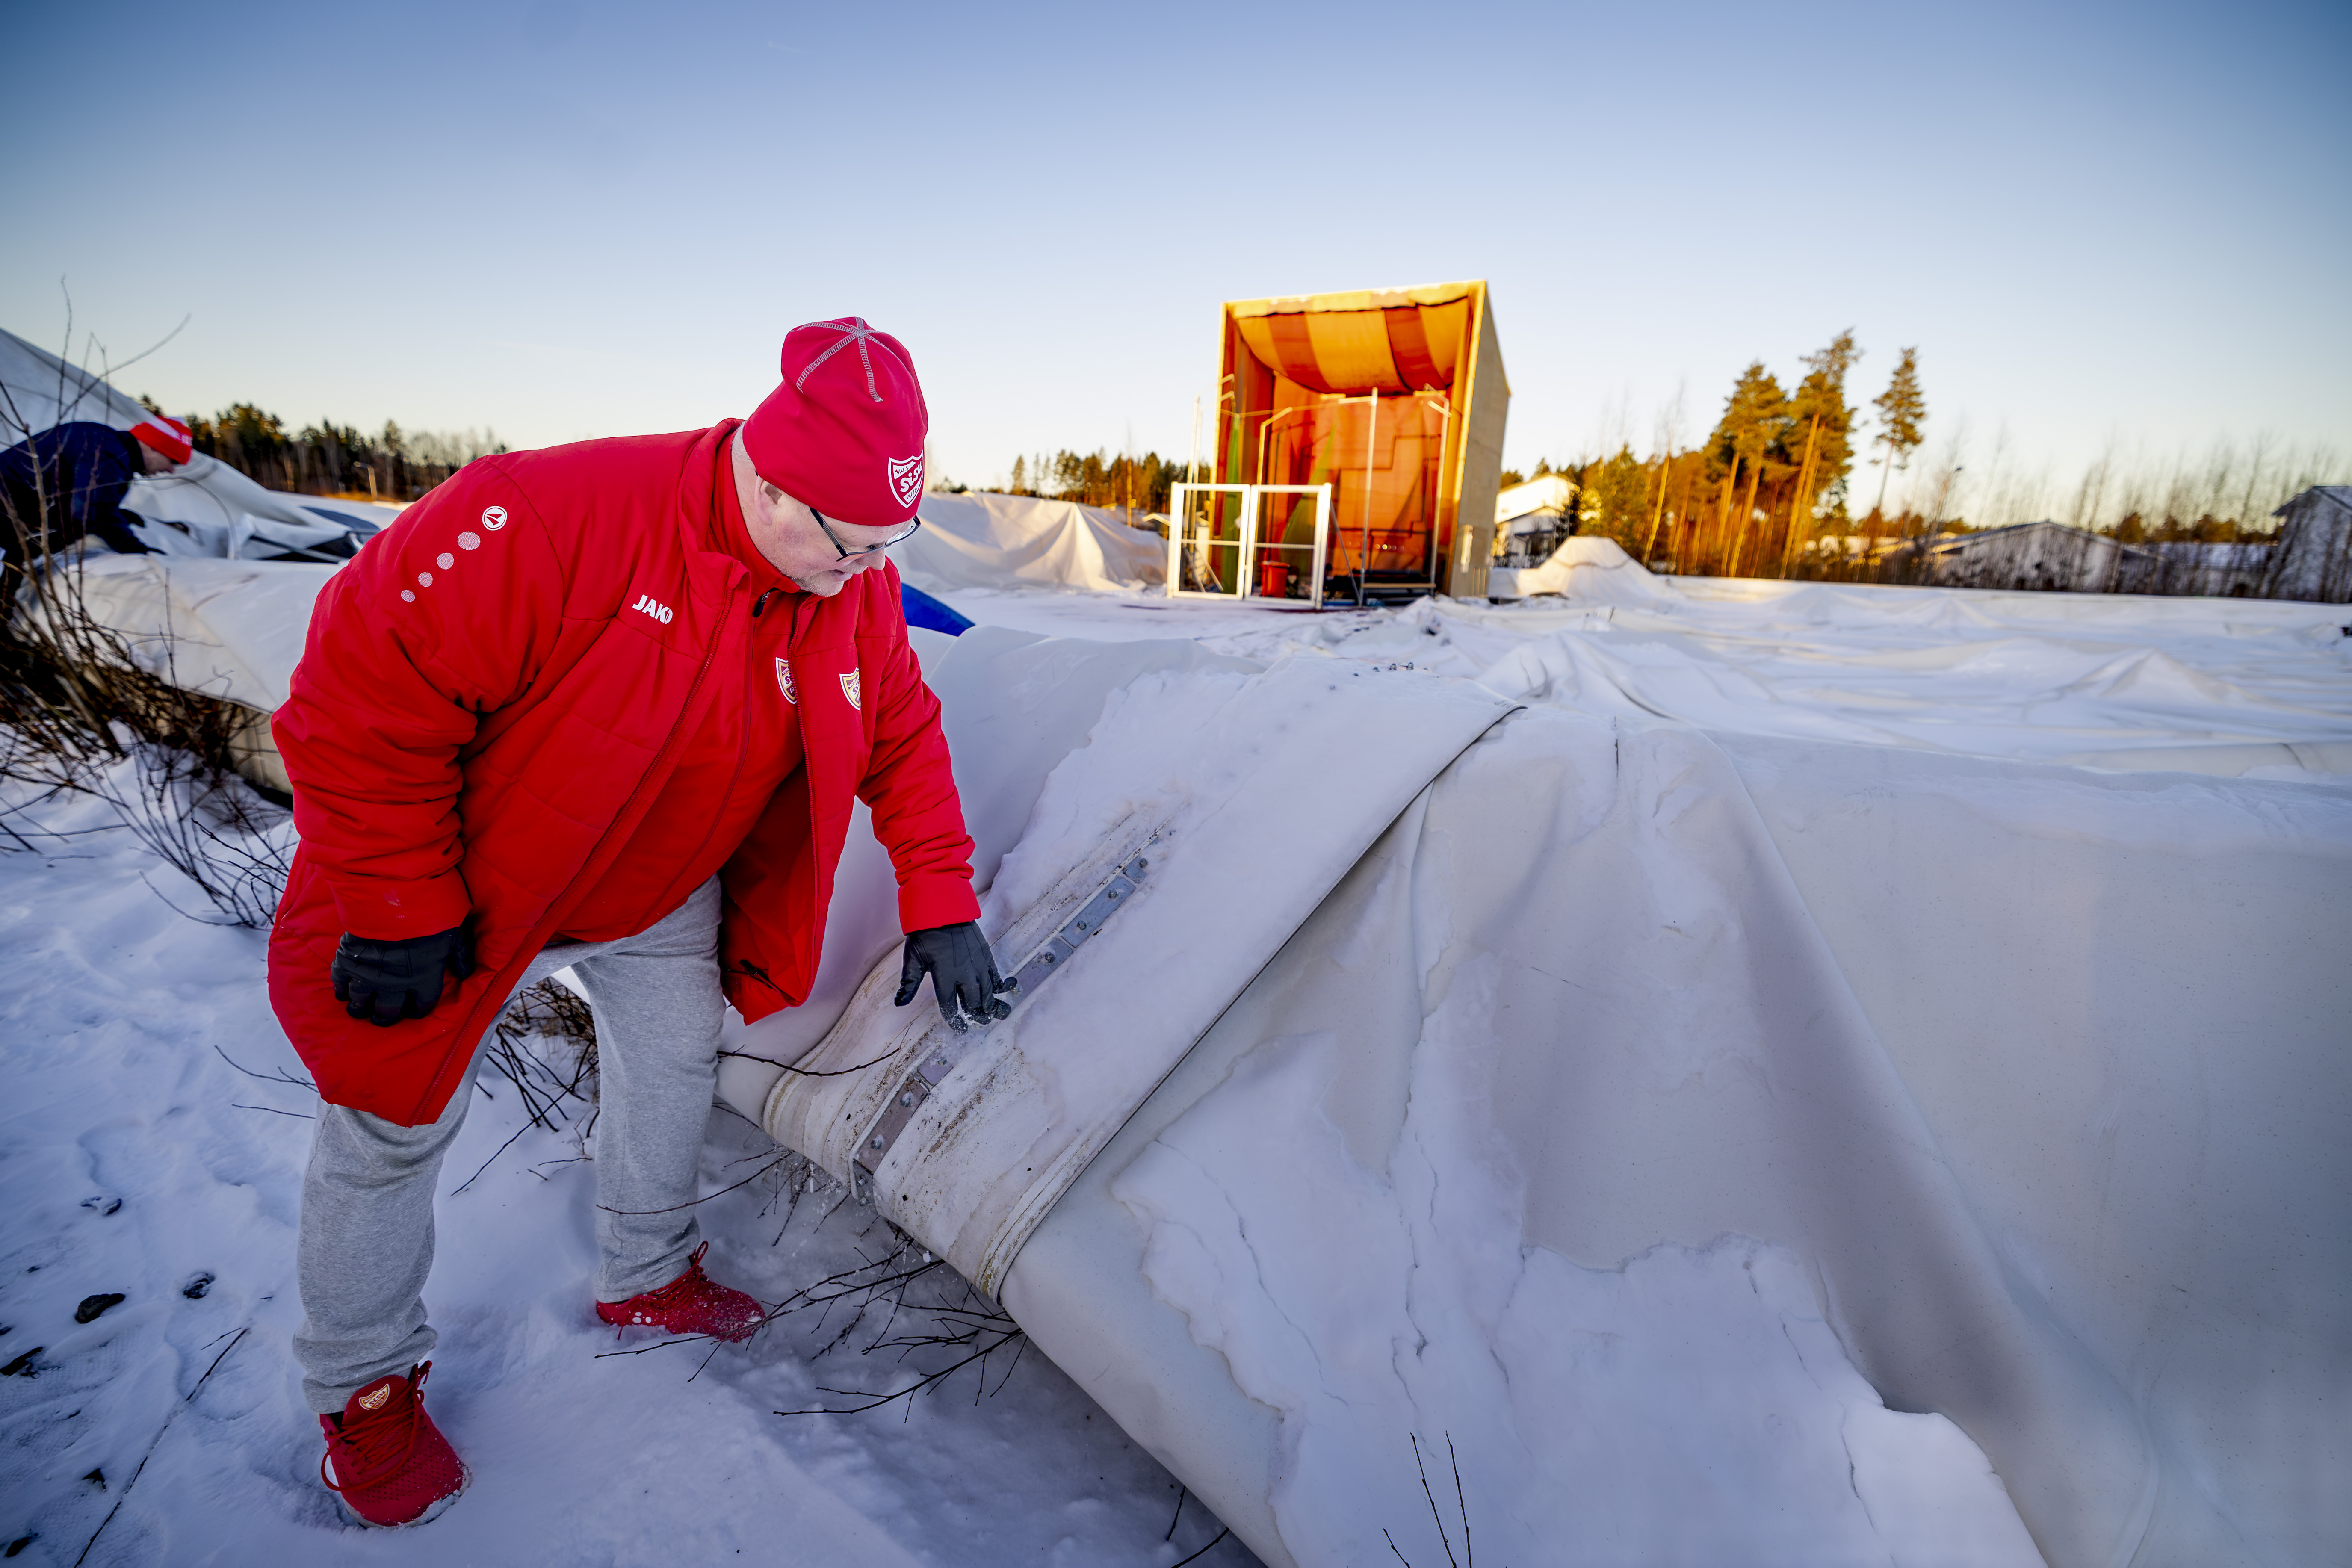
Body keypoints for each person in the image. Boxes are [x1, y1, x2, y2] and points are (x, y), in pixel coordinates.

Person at [266, 319, 1014, 1528]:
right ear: (769, 485)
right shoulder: (550, 513)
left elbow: (901, 734)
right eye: (851, 542)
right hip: (471, 884)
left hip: (656, 880)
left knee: (671, 1057)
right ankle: (363, 1390)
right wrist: (398, 900)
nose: (871, 571)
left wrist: (940, 895)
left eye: (895, 544)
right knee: (388, 1122)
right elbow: (361, 691)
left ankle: (646, 1272)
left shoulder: (849, 581)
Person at [0, 413, 188, 564]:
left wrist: (116, 517)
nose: (171, 470)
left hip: (11, 508)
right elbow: (92, 511)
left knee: (30, 546)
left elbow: (75, 506)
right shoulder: (107, 452)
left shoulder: (106, 442)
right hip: (5, 506)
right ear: (155, 447)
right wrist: (137, 550)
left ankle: (6, 601)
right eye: (173, 460)